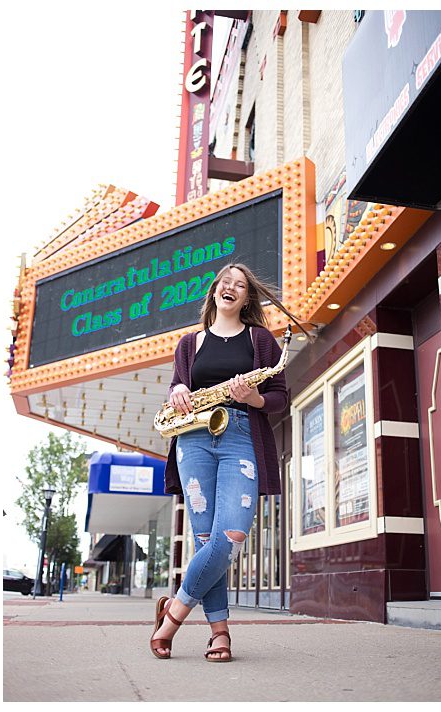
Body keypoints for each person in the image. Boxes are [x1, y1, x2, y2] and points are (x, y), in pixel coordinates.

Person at [149, 263, 290, 664]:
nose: (232, 288)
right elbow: (179, 384)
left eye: (241, 285)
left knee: (230, 535)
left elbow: (281, 396)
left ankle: (172, 614)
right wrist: (178, 388)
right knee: (204, 538)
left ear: (246, 298)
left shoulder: (260, 340)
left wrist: (254, 399)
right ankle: (220, 631)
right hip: (192, 439)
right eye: (226, 282)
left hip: (240, 436)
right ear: (214, 291)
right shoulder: (189, 344)